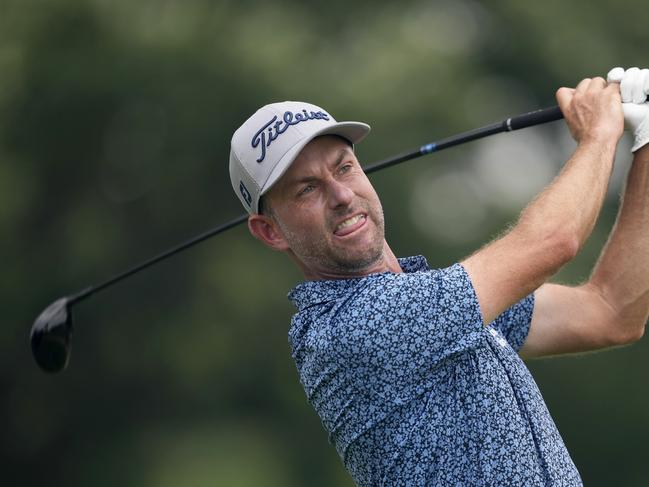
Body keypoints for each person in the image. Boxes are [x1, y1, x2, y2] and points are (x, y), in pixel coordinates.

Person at [228, 67, 649, 485]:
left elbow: (610, 311)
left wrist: (646, 140)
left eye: (344, 168)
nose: (341, 195)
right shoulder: (352, 327)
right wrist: (598, 135)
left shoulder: (433, 304)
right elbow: (553, 242)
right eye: (307, 189)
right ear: (270, 230)